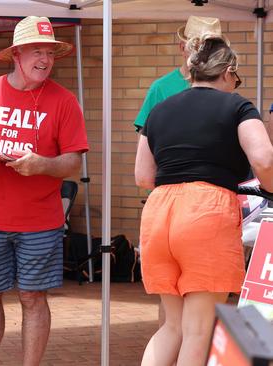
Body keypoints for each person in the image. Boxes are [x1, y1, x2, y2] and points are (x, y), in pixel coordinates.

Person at [0, 16, 89, 366]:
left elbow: (73, 162)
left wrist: (41, 164)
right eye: (37, 51)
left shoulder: (65, 101)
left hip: (40, 221)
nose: (45, 59)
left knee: (32, 297)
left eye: (50, 53)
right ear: (17, 55)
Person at [135, 35, 273, 366]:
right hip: (206, 212)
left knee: (173, 326)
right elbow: (265, 160)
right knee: (197, 330)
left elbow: (142, 176)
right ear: (227, 71)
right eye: (236, 78)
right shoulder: (238, 106)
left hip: (158, 213)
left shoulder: (160, 110)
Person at [134, 15, 225, 132]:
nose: (205, 55)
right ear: (183, 48)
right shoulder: (160, 88)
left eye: (212, 50)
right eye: (198, 48)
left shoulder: (222, 85)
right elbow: (144, 138)